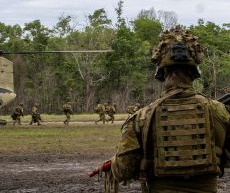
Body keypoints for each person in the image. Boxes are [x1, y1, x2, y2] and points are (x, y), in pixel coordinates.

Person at [88, 26, 230, 192]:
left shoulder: (142, 117)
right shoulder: (220, 112)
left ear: (161, 72)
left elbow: (123, 170)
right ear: (195, 72)